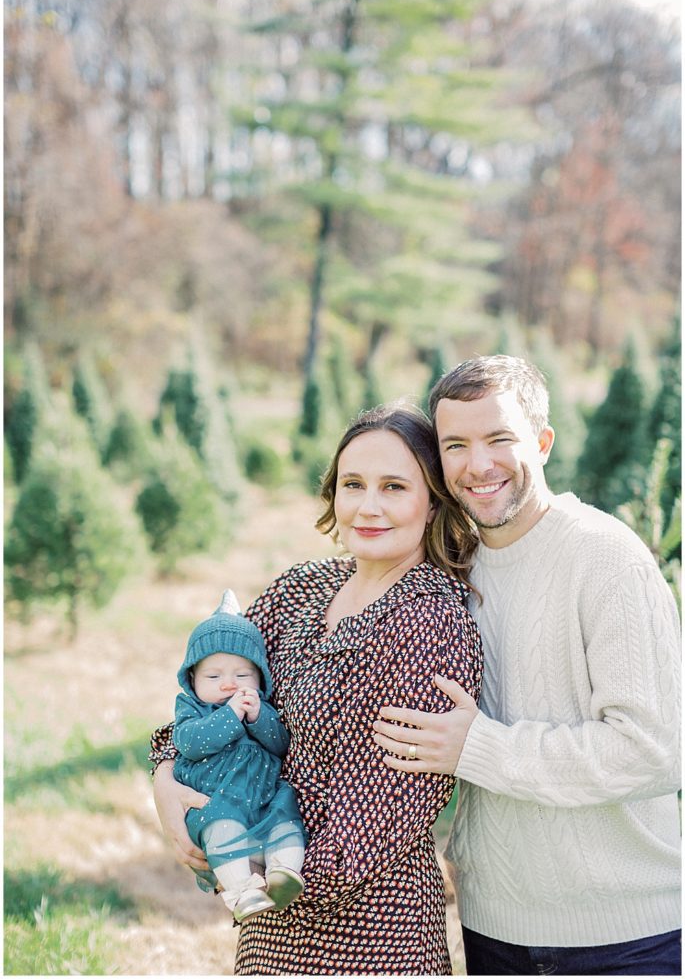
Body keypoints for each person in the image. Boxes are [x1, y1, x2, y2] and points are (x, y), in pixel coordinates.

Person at [372, 355, 682, 976]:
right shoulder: (449, 570)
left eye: (499, 439)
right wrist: (174, 770)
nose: (478, 465)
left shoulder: (603, 557)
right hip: (493, 925)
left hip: (622, 937)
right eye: (456, 444)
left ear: (541, 442)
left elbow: (653, 750)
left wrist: (479, 748)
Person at [150, 402, 483, 975]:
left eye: (394, 486)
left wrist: (232, 858)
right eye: (353, 484)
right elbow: (197, 703)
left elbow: (378, 816)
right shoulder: (300, 589)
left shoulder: (430, 622)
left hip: (370, 936)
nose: (368, 506)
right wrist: (165, 785)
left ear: (433, 503)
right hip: (266, 932)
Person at [171, 589, 307, 923]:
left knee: (286, 818)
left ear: (260, 678)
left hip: (264, 796)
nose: (229, 684)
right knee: (222, 827)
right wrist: (231, 715)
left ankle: (284, 870)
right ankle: (241, 891)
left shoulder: (260, 707)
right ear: (192, 679)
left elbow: (281, 744)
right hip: (219, 799)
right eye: (214, 676)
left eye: (242, 675)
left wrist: (259, 716)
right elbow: (190, 743)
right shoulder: (191, 708)